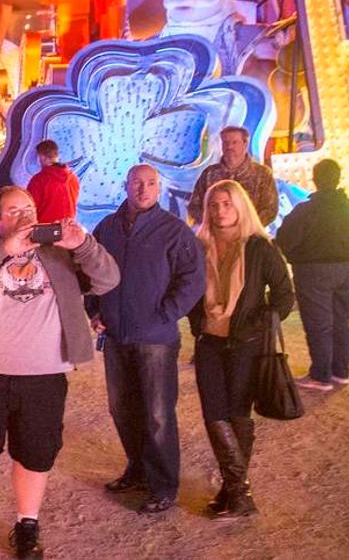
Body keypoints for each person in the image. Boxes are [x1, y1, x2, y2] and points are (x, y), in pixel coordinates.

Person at [0, 186, 118, 558]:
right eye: (14, 211)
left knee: (35, 453)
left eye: (30, 209)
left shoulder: (62, 252)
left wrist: (82, 243)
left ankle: (27, 524)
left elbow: (108, 278)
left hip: (45, 375)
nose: (25, 217)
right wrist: (4, 250)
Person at [92, 165, 206, 513]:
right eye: (137, 183)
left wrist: (166, 313)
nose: (143, 189)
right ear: (126, 185)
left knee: (157, 414)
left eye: (150, 184)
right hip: (115, 335)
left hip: (155, 337)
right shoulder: (107, 228)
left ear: (159, 188)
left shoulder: (173, 231)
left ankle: (163, 485)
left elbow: (193, 278)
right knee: (122, 408)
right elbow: (89, 270)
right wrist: (93, 309)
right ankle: (138, 469)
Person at [189, 180, 294, 518]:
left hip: (245, 344)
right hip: (209, 342)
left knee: (236, 414)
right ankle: (237, 491)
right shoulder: (199, 246)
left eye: (227, 204)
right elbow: (190, 291)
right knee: (213, 415)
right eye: (214, 205)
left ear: (240, 206)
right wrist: (196, 324)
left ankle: (235, 491)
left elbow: (283, 295)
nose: (220, 211)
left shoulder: (259, 248)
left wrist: (260, 321)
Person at [275, 158, 349, 391]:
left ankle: (321, 376)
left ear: (315, 178)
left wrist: (293, 254)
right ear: (338, 177)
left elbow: (285, 238)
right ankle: (340, 372)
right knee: (342, 321)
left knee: (319, 324)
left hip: (314, 270)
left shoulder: (307, 209)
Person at [188, 126, 278, 226]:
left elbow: (270, 209)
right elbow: (194, 207)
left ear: (245, 144)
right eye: (225, 143)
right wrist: (215, 224)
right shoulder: (209, 173)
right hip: (216, 237)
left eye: (234, 142)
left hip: (250, 236)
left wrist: (246, 228)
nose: (229, 147)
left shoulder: (262, 174)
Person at [25, 139, 80, 224]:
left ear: (41, 157)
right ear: (57, 155)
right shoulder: (73, 178)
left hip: (45, 231)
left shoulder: (38, 180)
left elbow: (29, 210)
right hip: (68, 229)